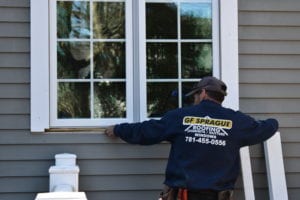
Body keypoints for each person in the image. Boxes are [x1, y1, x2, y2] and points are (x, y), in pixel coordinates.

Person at [104, 76, 279, 200]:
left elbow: (147, 131)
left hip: (182, 195)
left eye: (195, 95)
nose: (194, 99)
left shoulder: (180, 117)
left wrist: (118, 129)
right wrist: (274, 122)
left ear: (203, 93)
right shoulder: (237, 122)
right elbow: (264, 129)